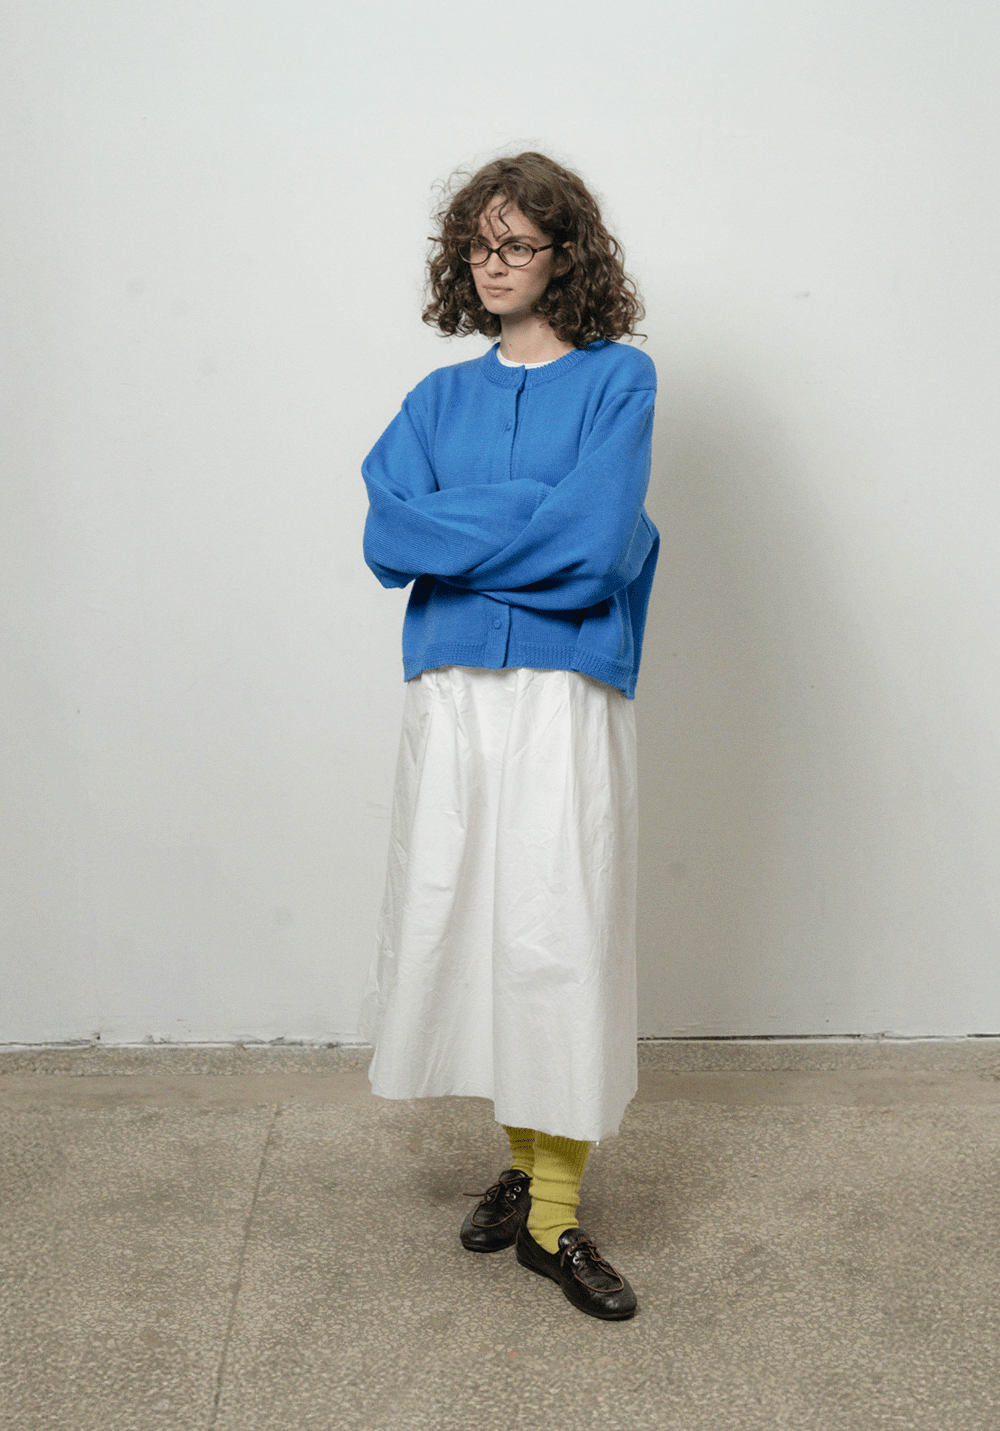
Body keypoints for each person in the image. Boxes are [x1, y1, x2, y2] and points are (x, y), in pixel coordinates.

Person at [361, 151, 658, 1321]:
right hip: (452, 693)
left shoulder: (619, 381)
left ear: (562, 255)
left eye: (518, 246)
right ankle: (524, 1165)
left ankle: (552, 1216)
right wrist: (532, 520)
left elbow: (594, 547)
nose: (494, 267)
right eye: (480, 247)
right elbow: (389, 536)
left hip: (564, 691)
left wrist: (466, 534)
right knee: (476, 922)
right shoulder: (436, 400)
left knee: (557, 926)